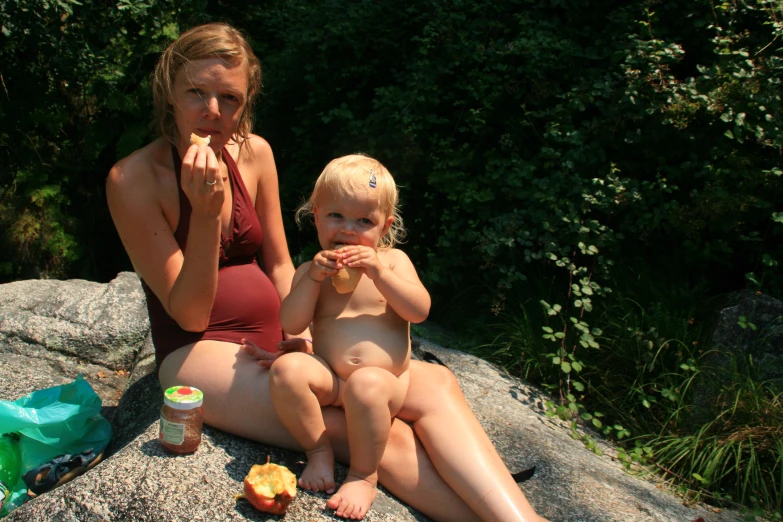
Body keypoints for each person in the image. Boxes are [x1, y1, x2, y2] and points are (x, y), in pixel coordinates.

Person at [105, 21, 548, 522]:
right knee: (387, 435)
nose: (212, 112)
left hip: (281, 339)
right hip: (202, 351)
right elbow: (187, 313)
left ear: (245, 102)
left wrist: (308, 336)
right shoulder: (133, 179)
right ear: (169, 89)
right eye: (196, 92)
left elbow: (276, 261)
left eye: (229, 98)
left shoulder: (254, 152)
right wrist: (205, 215)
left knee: (437, 388)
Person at [268, 154, 428, 519]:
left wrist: (379, 274)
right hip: (332, 378)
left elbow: (419, 309)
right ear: (317, 214)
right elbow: (292, 323)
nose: (349, 230)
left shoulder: (393, 263)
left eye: (364, 221)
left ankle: (363, 474)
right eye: (336, 216)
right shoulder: (310, 270)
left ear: (384, 227)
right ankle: (319, 453)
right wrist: (311, 280)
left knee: (366, 384)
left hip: (383, 385)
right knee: (287, 370)